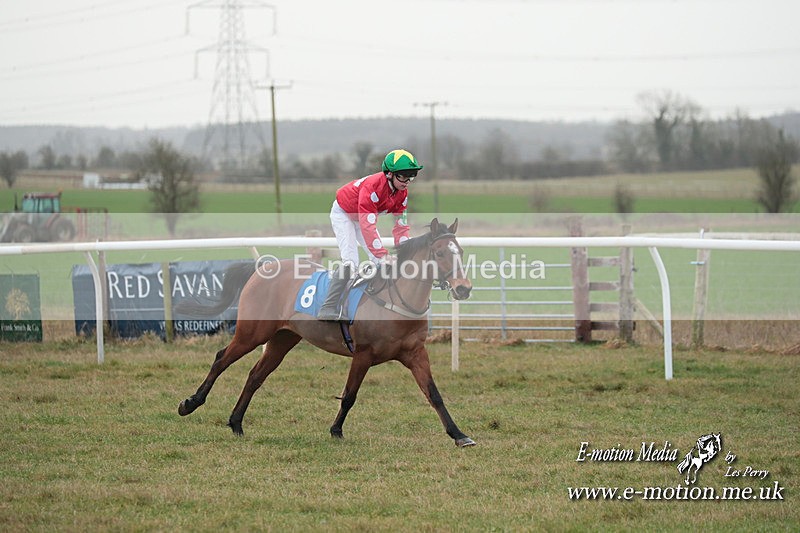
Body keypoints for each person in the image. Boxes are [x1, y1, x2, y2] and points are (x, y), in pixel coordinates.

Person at [317, 148, 423, 321]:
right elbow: (368, 226)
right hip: (344, 214)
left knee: (379, 262)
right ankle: (328, 307)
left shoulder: (402, 193)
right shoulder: (373, 187)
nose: (407, 181)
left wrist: (406, 253)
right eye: (403, 176)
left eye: (411, 176)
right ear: (389, 174)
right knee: (351, 263)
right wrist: (382, 254)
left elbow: (401, 227)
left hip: (361, 218)